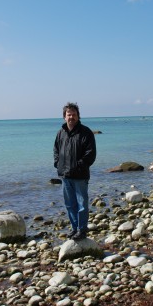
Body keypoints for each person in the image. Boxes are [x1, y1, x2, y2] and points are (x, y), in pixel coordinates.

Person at [54, 102, 97, 240]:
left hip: (80, 175)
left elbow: (90, 154)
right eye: (68, 114)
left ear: (78, 116)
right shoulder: (61, 132)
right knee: (69, 204)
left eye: (74, 114)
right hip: (65, 175)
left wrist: (78, 166)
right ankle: (74, 228)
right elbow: (56, 150)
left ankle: (82, 230)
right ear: (64, 116)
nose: (71, 117)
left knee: (82, 205)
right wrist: (57, 164)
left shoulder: (85, 132)